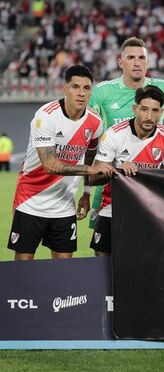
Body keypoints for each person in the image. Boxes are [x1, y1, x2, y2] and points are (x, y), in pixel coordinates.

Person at [7, 65, 114, 261]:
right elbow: (50, 165)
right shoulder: (46, 116)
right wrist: (90, 169)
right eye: (75, 87)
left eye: (86, 88)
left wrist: (87, 192)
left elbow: (90, 155)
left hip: (65, 204)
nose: (81, 93)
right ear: (65, 89)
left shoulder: (95, 122)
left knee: (64, 269)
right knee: (23, 267)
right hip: (31, 200)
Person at [88, 86, 164, 256]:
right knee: (102, 260)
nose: (149, 116)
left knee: (146, 262)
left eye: (155, 111)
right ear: (135, 109)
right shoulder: (114, 134)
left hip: (149, 210)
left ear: (161, 112)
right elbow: (93, 178)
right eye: (144, 109)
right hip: (113, 208)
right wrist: (117, 171)